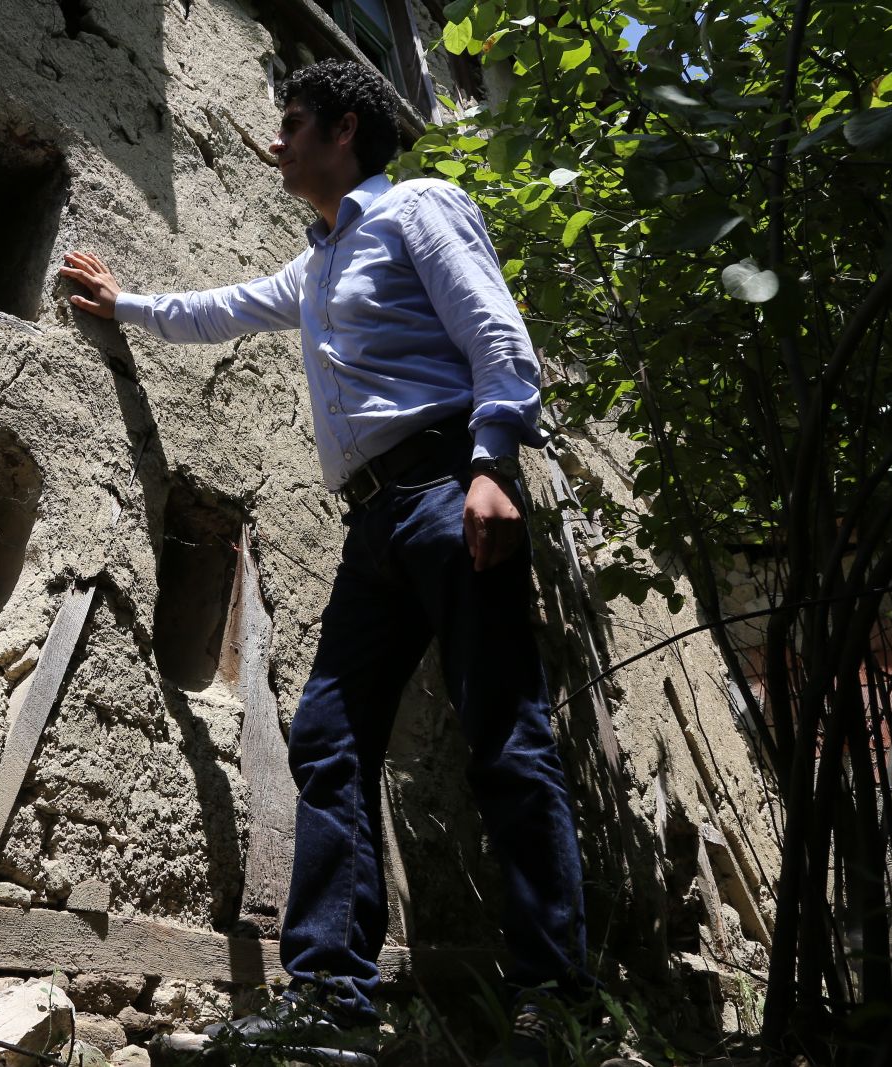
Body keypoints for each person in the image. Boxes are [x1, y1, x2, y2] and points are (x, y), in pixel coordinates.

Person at [59, 59, 594, 1064]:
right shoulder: (317, 266)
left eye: (292, 123)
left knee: (505, 736)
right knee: (328, 733)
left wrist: (490, 462)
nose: (276, 141)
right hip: (374, 527)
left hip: (447, 490)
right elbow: (217, 308)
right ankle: (334, 999)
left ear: (344, 130)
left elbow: (497, 339)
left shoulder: (420, 209)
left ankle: (553, 1000)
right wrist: (126, 305)